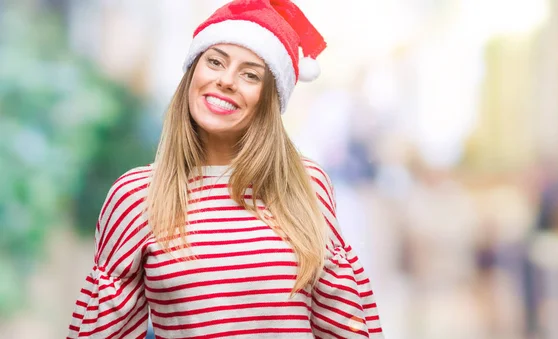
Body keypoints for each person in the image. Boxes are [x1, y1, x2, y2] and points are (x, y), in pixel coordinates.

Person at [66, 0, 384, 338]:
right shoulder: (136, 195)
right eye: (215, 62)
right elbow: (102, 328)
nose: (226, 80)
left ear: (270, 97)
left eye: (250, 74)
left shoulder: (306, 184)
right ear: (193, 73)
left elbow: (343, 320)